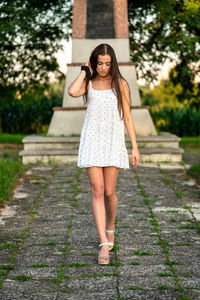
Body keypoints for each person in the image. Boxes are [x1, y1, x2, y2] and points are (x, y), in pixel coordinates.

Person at [68, 43, 140, 265]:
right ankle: (102, 243)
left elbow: (127, 116)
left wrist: (135, 147)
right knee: (97, 190)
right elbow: (72, 91)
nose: (103, 67)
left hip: (112, 141)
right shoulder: (88, 83)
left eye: (107, 64)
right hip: (92, 140)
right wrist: (84, 70)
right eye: (99, 63)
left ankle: (111, 227)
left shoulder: (120, 84)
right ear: (94, 62)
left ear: (113, 63)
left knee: (110, 192)